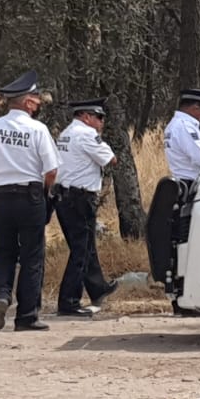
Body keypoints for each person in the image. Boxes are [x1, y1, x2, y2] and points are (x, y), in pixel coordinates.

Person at [0, 71, 60, 333]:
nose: (39, 103)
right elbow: (52, 171)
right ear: (27, 102)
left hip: (1, 196)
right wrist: (44, 193)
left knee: (4, 251)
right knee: (32, 255)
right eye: (37, 98)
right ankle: (27, 316)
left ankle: (0, 294)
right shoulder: (38, 129)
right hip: (30, 195)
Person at [54, 99, 119, 318]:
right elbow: (111, 159)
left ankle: (97, 287)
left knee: (86, 246)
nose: (102, 123)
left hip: (64, 197)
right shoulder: (86, 134)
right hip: (80, 198)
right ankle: (68, 301)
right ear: (86, 117)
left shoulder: (66, 133)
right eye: (99, 118)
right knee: (80, 250)